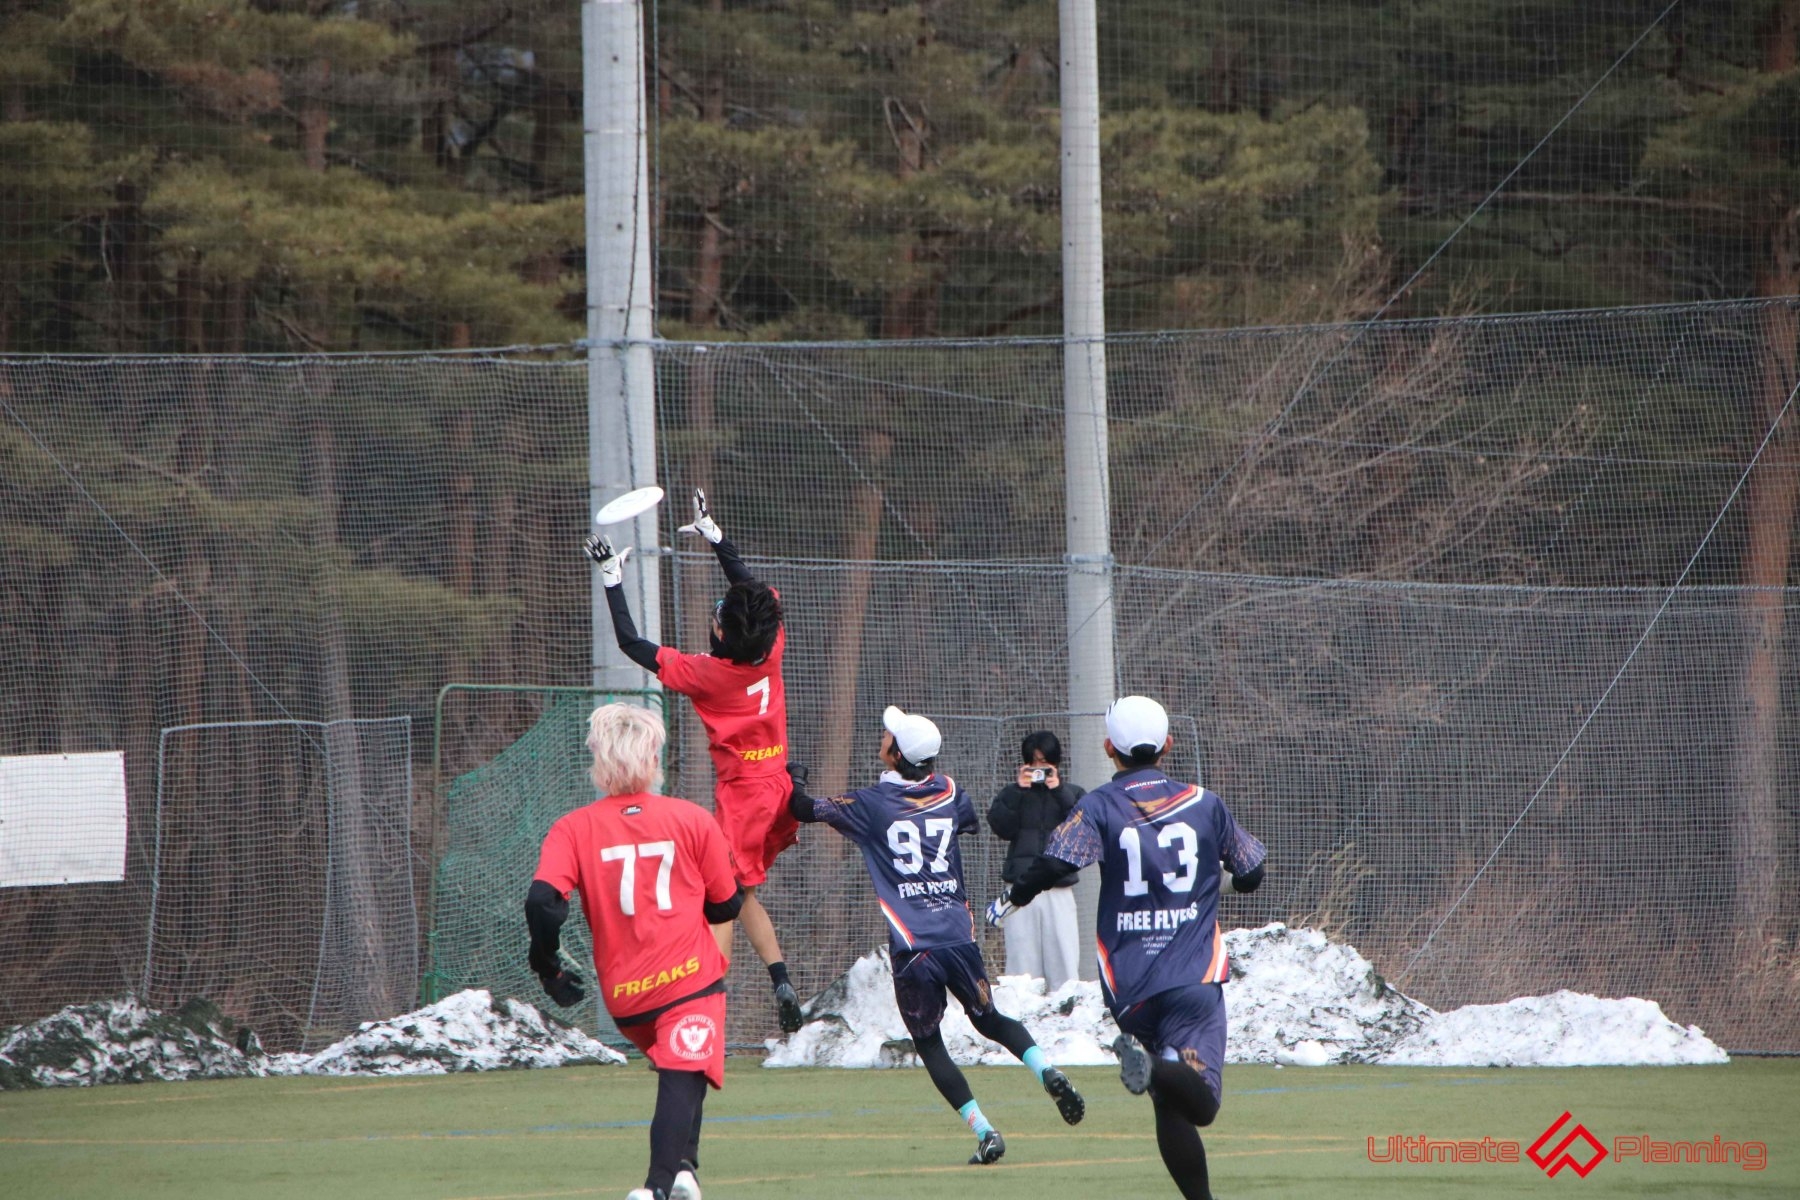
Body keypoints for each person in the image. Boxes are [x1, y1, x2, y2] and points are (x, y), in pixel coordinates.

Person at [986, 696, 1267, 1200]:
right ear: (1168, 745)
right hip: (1192, 977)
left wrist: (1014, 896)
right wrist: (1216, 880)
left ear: (1108, 748)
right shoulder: (1204, 802)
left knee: (1168, 1102)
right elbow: (1251, 872)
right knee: (1201, 1101)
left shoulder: (1098, 805)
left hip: (1129, 985)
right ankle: (1152, 1065)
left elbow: (1054, 863)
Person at [785, 705, 1086, 1166]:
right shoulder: (950, 791)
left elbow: (803, 809)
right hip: (958, 935)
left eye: (889, 737)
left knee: (929, 1042)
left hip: (914, 946)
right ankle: (1045, 1069)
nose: (883, 738)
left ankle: (984, 1130)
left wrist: (795, 778)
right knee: (991, 1018)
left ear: (897, 754)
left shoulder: (873, 804)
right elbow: (965, 819)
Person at [586, 489, 805, 1033]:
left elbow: (631, 643)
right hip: (780, 786)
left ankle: (704, 1010)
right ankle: (781, 978)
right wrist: (715, 536)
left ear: (721, 633)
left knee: (719, 898)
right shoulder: (771, 648)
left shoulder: (707, 675)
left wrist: (612, 578)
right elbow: (751, 590)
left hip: (745, 798)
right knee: (744, 894)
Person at [525, 703, 743, 1200]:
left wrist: (547, 965)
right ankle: (657, 1187)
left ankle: (685, 1169)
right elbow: (727, 904)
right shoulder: (691, 818)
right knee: (684, 1069)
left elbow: (542, 902)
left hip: (625, 997)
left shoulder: (572, 828)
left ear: (598, 760)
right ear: (654, 758)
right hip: (688, 980)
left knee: (687, 1064)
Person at [986, 730, 1084, 991]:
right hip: (1020, 886)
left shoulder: (1072, 793)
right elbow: (1001, 827)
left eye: (1044, 762)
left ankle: (1066, 1006)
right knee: (1022, 962)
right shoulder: (1013, 793)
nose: (1039, 768)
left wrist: (1058, 789)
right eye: (1033, 762)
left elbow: (1082, 826)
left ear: (1056, 762)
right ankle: (1021, 1007)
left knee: (1063, 958)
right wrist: (1019, 790)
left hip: (1059, 886)